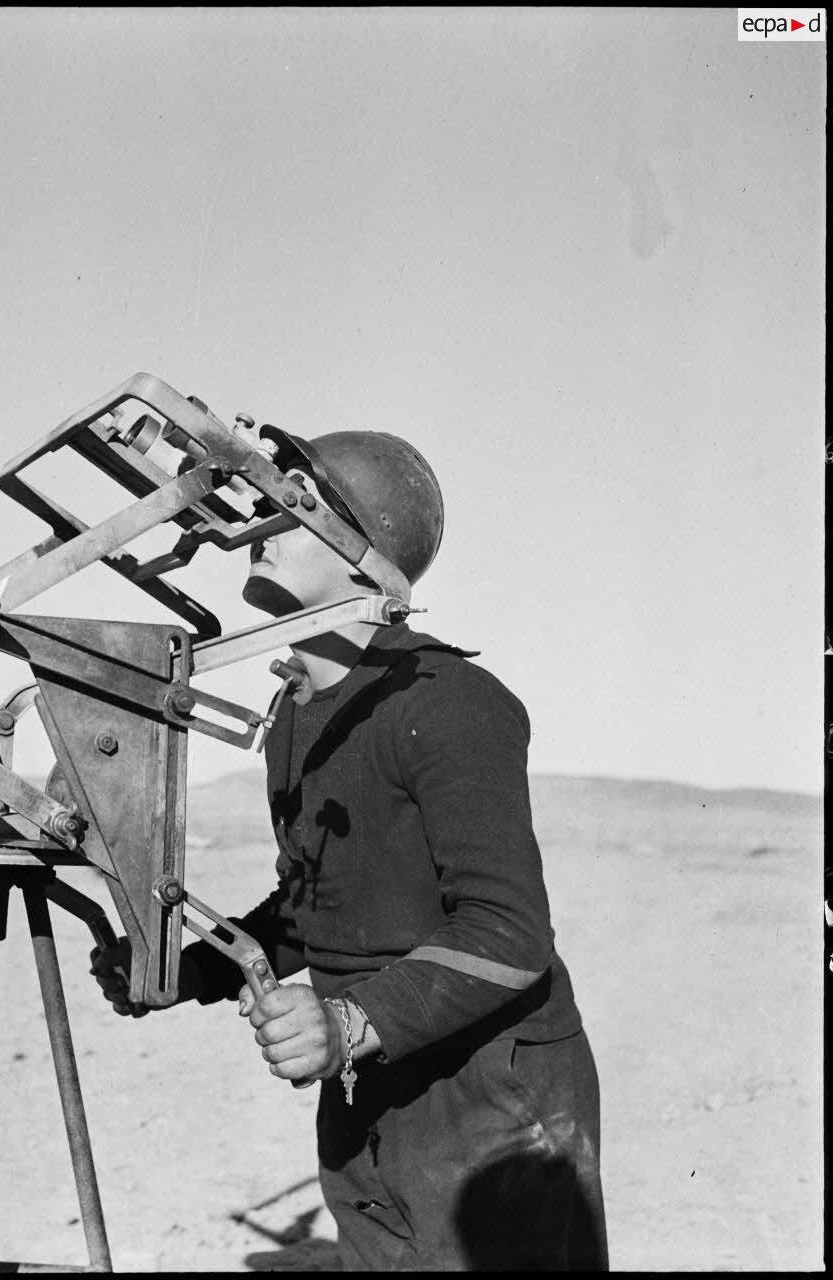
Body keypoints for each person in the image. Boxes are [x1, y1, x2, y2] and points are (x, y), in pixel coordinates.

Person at [91, 426, 608, 1271]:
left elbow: (509, 932)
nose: (261, 525)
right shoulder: (296, 713)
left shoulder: (449, 703)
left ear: (365, 557)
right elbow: (315, 904)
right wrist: (190, 973)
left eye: (292, 507)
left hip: (490, 1092)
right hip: (370, 1080)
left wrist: (349, 1022)